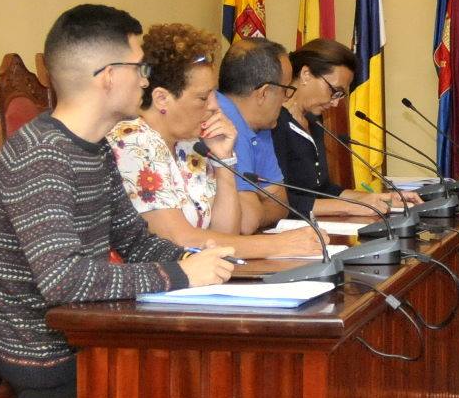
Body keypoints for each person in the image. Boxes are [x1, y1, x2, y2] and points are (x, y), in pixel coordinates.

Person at [0, 5, 234, 398]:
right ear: (109, 76)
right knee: (216, 389)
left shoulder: (94, 148)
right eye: (140, 68)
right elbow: (64, 280)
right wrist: (184, 274)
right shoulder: (41, 157)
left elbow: (136, 241)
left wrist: (204, 263)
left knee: (231, 367)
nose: (146, 80)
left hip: (93, 339)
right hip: (53, 366)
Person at [105, 23, 321, 258]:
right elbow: (178, 239)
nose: (215, 106)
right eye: (202, 98)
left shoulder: (190, 145)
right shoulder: (133, 140)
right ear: (161, 99)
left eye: (213, 94)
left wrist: (224, 161)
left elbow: (226, 232)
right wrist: (277, 245)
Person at [277, 38, 420, 214]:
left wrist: (378, 199)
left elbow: (324, 190)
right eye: (334, 91)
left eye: (341, 95)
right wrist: (352, 207)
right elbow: (280, 202)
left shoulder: (314, 121)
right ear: (306, 74)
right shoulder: (274, 123)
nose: (336, 103)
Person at [215, 37, 295, 231]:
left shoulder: (261, 124)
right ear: (263, 93)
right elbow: (247, 222)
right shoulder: (222, 124)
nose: (286, 100)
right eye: (286, 90)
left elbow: (281, 203)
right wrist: (258, 210)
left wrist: (257, 212)